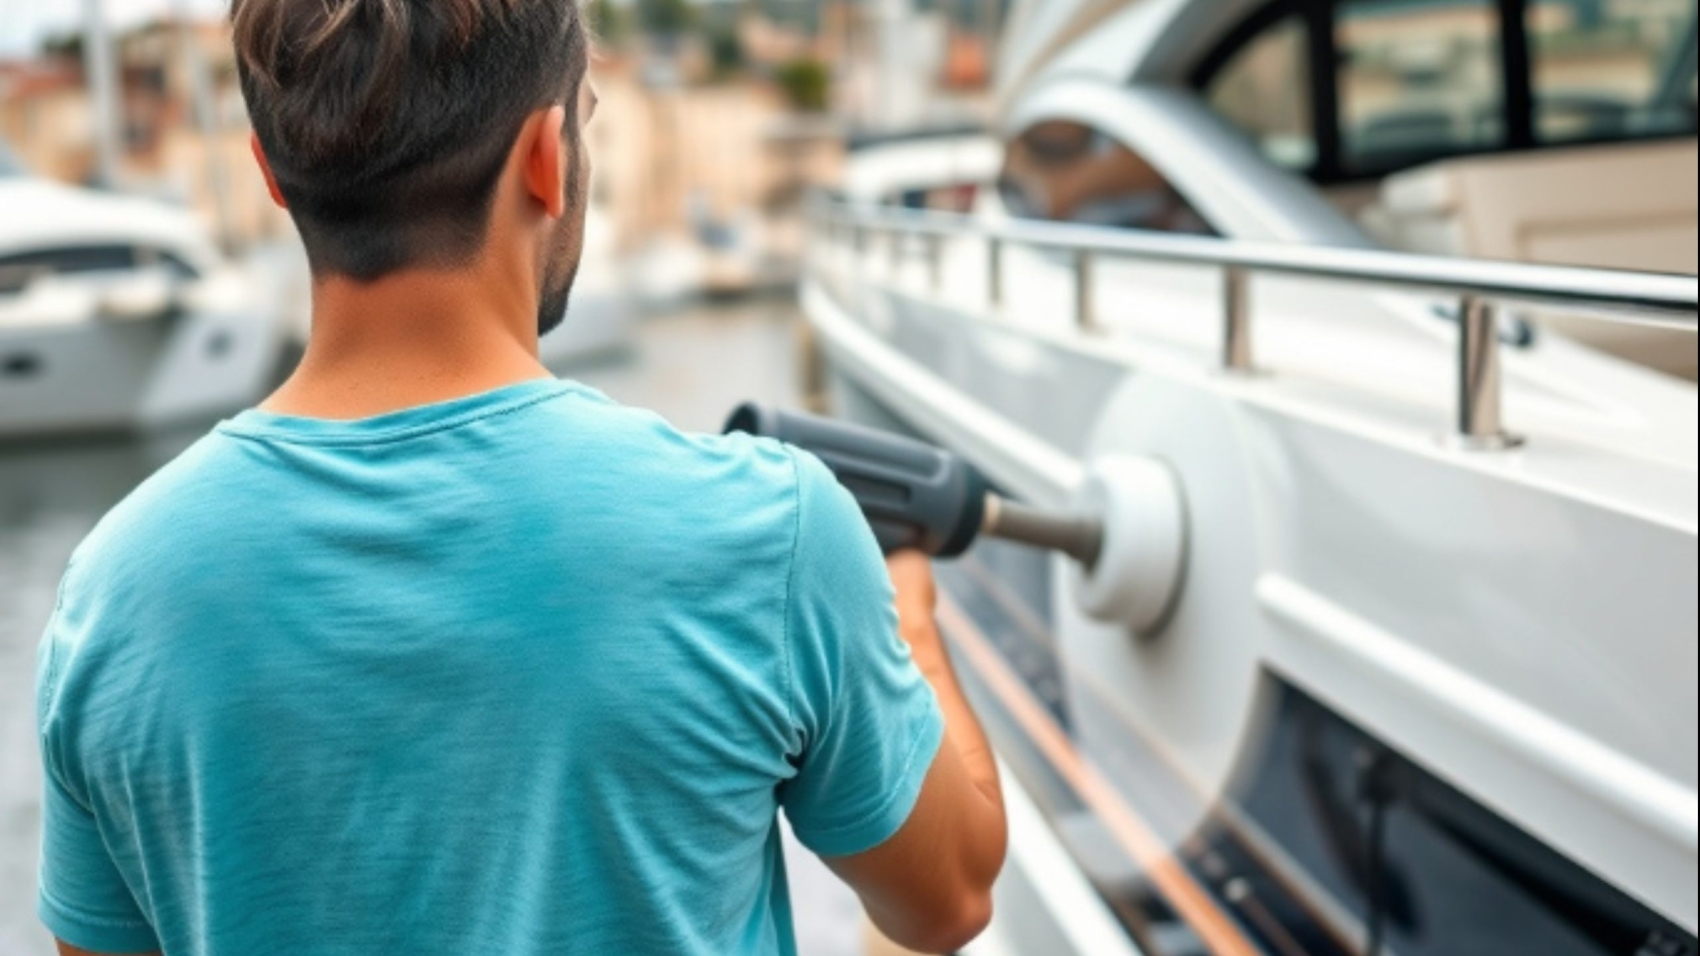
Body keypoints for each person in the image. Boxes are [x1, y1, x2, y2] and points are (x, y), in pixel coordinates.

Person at [32, 1, 1007, 954]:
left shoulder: (113, 590)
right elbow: (947, 901)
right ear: (548, 157)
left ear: (271, 177)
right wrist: (907, 608)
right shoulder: (772, 528)